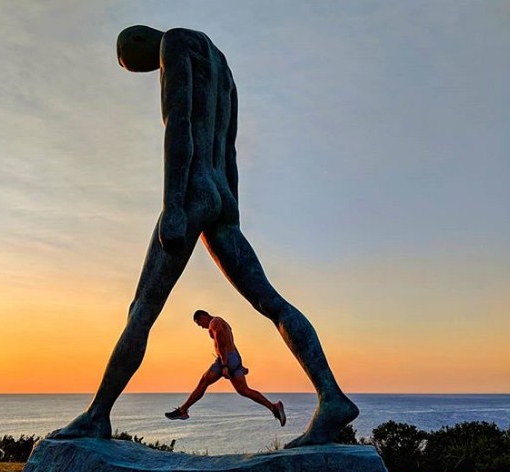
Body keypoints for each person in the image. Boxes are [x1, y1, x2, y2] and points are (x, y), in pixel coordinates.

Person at [49, 25, 358, 447]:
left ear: (138, 40)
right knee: (272, 303)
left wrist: (174, 205)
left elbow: (177, 122)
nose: (136, 68)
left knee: (142, 308)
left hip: (193, 189)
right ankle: (332, 396)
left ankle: (96, 415)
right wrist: (231, 213)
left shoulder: (173, 43)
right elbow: (228, 149)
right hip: (223, 195)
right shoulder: (223, 68)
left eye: (129, 61)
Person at [165, 310, 286, 425]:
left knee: (204, 382)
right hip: (234, 358)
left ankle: (182, 411)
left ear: (203, 317)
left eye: (199, 323)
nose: (202, 327)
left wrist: (224, 365)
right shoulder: (222, 322)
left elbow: (221, 343)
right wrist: (239, 364)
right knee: (244, 390)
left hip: (226, 359)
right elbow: (232, 344)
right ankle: (273, 407)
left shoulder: (214, 323)